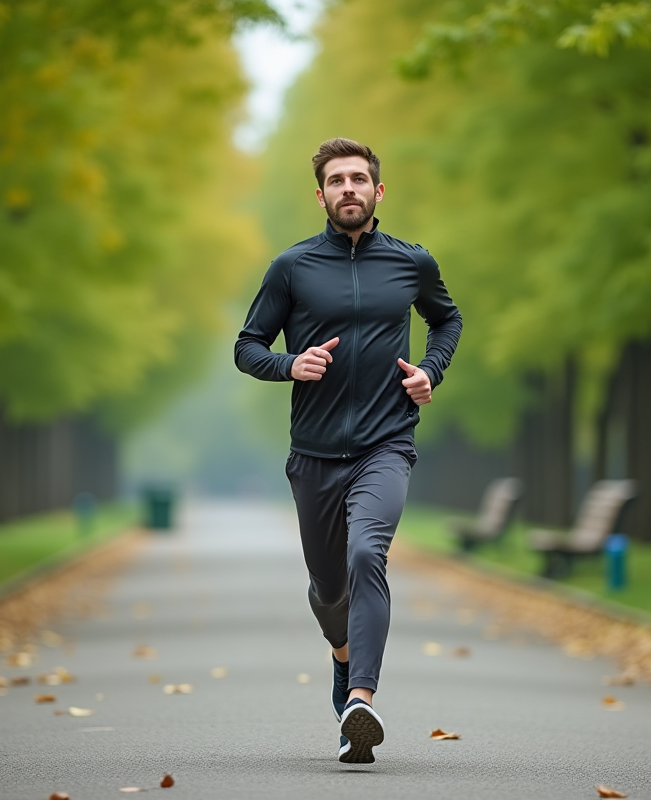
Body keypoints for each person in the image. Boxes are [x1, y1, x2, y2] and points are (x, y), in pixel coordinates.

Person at [234, 137, 462, 764]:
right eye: (337, 181)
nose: (350, 189)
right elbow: (247, 345)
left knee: (368, 552)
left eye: (359, 179)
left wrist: (430, 373)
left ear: (378, 190)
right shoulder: (293, 267)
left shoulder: (411, 264)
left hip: (386, 445)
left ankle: (359, 700)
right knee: (328, 589)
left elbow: (448, 320)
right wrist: (288, 364)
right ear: (322, 195)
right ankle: (342, 657)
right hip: (313, 453)